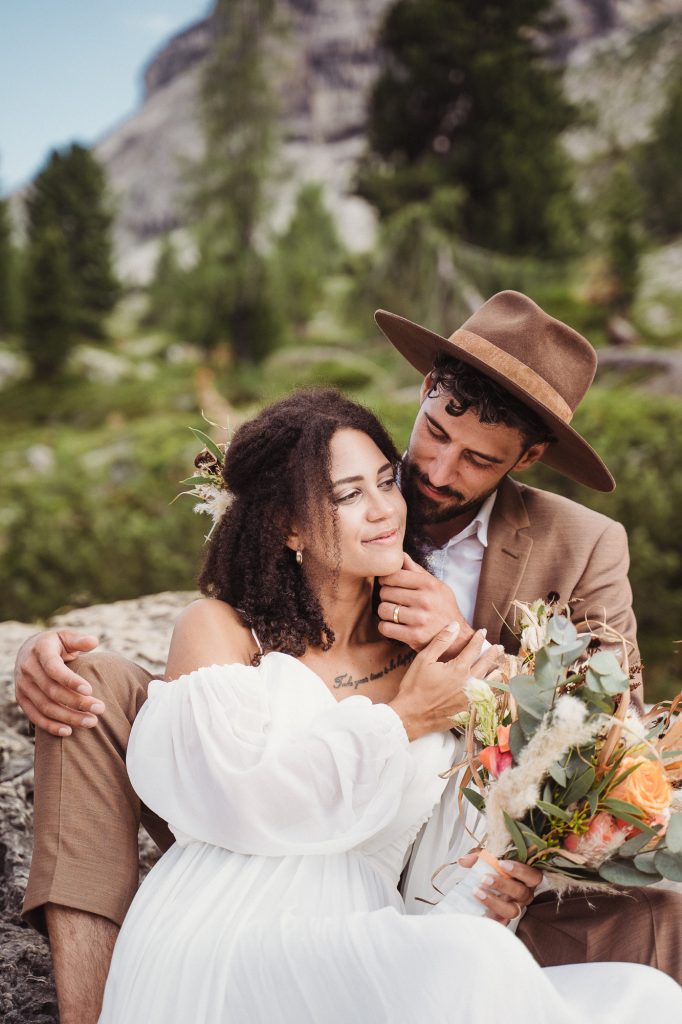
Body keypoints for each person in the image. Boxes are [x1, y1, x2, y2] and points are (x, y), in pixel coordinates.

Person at [14, 293, 682, 1016]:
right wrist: (40, 649)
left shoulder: (583, 545)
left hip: (434, 840)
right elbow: (247, 618)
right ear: (426, 391)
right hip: (262, 828)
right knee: (79, 689)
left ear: (530, 457)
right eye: (432, 433)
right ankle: (88, 1011)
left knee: (650, 955)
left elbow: (616, 732)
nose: (435, 470)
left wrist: (464, 643)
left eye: (478, 460)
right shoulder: (331, 471)